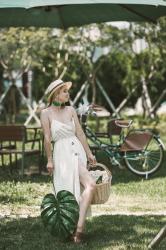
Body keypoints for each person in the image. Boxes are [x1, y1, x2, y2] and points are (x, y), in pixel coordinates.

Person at [40, 79, 97, 243]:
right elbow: (47, 138)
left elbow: (80, 133)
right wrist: (49, 160)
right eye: (64, 91)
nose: (68, 93)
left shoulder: (71, 110)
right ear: (56, 94)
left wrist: (89, 153)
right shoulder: (46, 113)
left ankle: (79, 230)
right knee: (68, 189)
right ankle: (72, 227)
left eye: (66, 91)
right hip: (61, 153)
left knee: (90, 184)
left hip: (76, 150)